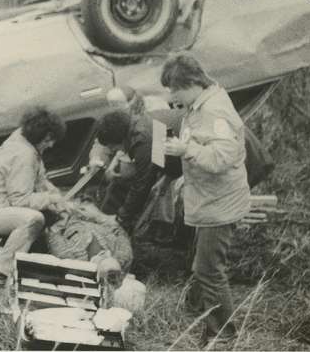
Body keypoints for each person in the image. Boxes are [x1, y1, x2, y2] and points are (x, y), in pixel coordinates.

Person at [162, 53, 250, 344]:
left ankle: (222, 335)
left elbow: (223, 157)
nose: (172, 96)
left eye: (174, 90)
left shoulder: (213, 111)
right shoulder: (201, 105)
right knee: (202, 261)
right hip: (209, 199)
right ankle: (199, 309)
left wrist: (185, 151)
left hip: (219, 204)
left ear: (189, 83)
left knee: (209, 270)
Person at [0, 107, 71, 276]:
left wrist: (57, 196)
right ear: (40, 136)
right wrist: (51, 199)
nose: (51, 144)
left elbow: (40, 179)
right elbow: (20, 200)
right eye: (49, 140)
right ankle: (3, 269)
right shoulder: (24, 155)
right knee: (33, 219)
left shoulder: (23, 138)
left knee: (46, 213)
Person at [91, 106, 162, 236]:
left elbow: (142, 183)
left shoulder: (142, 139)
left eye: (112, 146)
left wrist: (122, 216)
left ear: (120, 138)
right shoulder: (134, 126)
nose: (112, 150)